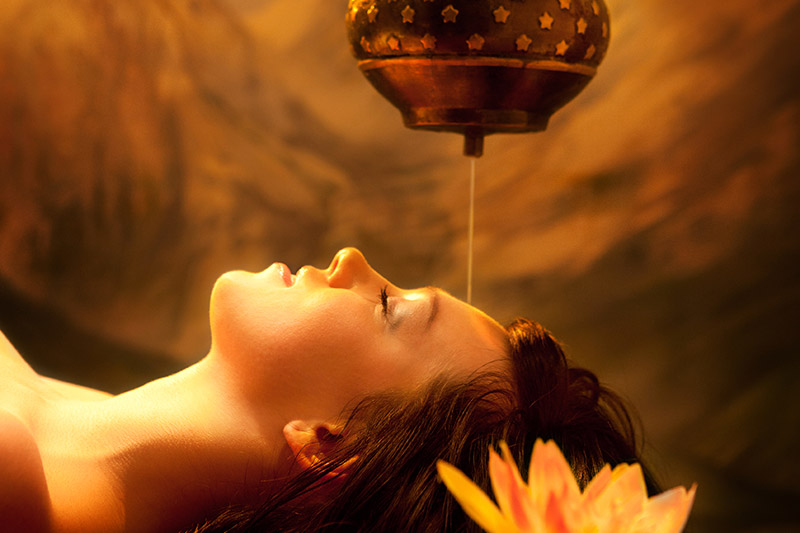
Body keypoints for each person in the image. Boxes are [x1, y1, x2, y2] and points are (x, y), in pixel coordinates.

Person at [0, 248, 658, 533]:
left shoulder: (16, 478)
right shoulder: (62, 425)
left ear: (331, 446)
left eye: (388, 307)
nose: (350, 259)